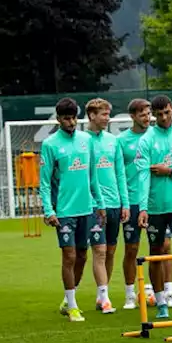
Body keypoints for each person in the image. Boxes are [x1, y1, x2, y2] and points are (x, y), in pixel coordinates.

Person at [40, 98, 107, 323]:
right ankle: (73, 307)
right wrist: (49, 210)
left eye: (73, 118)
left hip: (86, 208)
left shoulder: (86, 140)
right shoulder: (50, 144)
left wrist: (100, 203)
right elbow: (45, 182)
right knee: (68, 256)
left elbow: (93, 176)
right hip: (64, 211)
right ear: (58, 119)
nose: (70, 122)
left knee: (82, 255)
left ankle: (69, 299)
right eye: (66, 118)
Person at [135, 95, 172, 320]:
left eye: (167, 113)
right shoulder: (147, 140)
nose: (163, 118)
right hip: (155, 207)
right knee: (156, 253)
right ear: (153, 115)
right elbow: (143, 176)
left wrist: (170, 172)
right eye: (158, 114)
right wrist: (143, 208)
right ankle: (161, 302)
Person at [85, 98, 128, 315]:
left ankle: (102, 294)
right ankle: (105, 298)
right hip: (93, 205)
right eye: (103, 114)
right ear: (92, 115)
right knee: (99, 251)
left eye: (108, 114)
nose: (107, 118)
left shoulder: (113, 141)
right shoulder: (82, 141)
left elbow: (120, 173)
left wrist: (125, 203)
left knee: (110, 251)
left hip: (115, 204)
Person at [117, 98, 155, 309]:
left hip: (155, 199)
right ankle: (130, 294)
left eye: (148, 113)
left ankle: (166, 293)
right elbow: (119, 172)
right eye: (142, 114)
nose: (147, 117)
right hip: (132, 200)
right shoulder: (122, 141)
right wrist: (123, 201)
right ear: (132, 116)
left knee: (162, 247)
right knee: (131, 248)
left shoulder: (157, 136)